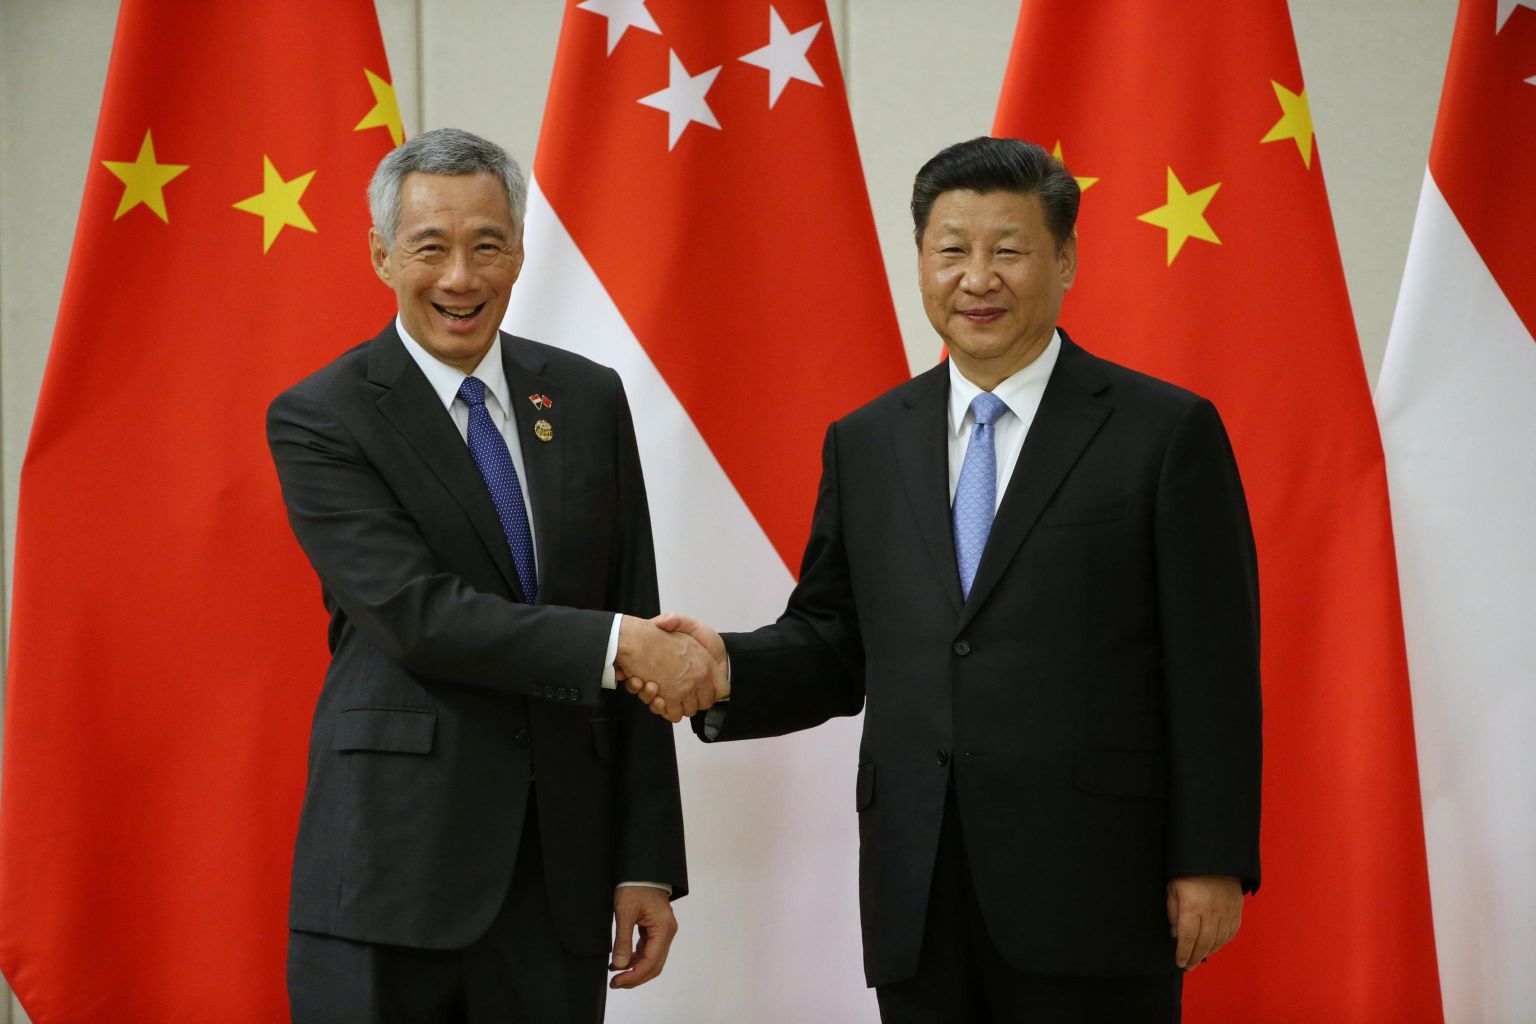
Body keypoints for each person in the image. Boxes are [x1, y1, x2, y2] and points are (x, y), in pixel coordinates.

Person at [632, 137, 1262, 1022]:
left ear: (1066, 260)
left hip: (1096, 885)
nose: (978, 279)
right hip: (918, 886)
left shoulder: (1163, 432)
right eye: (952, 250)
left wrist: (1212, 856)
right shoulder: (867, 441)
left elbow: (1214, 665)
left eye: (1009, 250)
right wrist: (727, 667)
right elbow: (835, 640)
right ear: (922, 261)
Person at [268, 128, 722, 1023]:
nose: (460, 277)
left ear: (519, 250)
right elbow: (417, 616)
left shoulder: (587, 398)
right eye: (429, 247)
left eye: (486, 245)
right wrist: (618, 645)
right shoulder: (324, 416)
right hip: (393, 875)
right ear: (381, 255)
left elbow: (629, 606)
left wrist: (645, 860)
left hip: (558, 879)